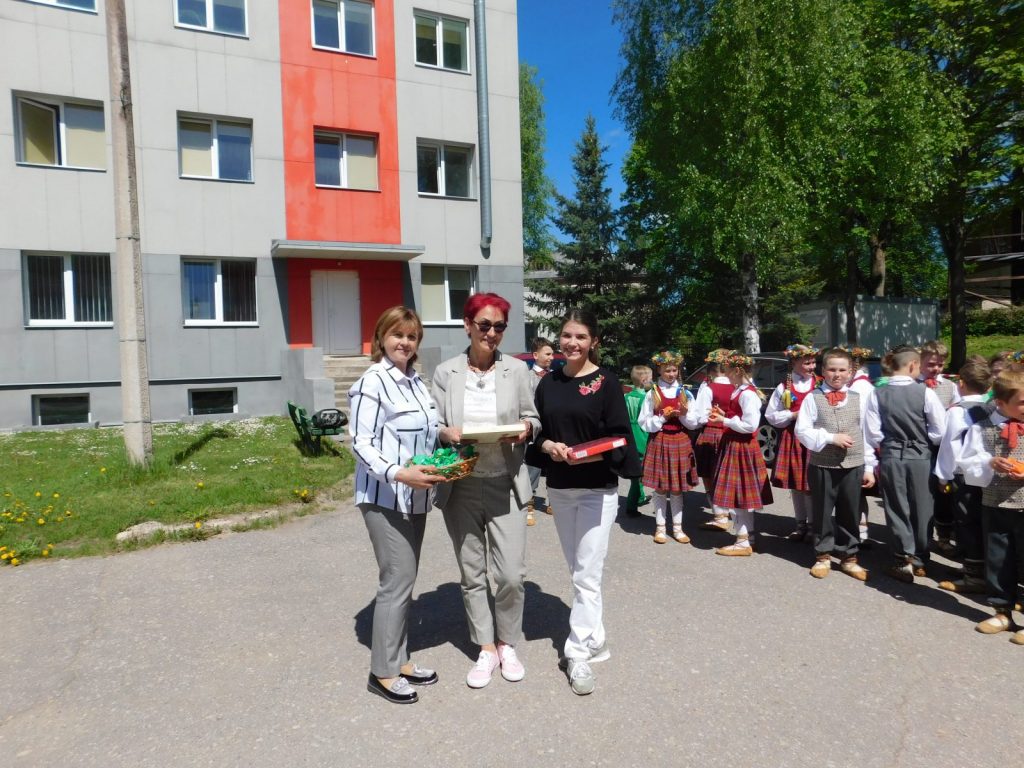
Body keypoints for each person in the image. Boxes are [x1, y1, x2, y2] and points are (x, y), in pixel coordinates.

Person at [431, 293, 540, 690]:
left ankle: (508, 641)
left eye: (499, 327)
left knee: (510, 574)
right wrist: (447, 433)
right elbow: (434, 422)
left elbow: (532, 417)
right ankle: (486, 647)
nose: (491, 333)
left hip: (505, 483)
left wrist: (526, 429)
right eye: (484, 325)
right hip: (461, 484)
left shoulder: (517, 370)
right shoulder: (446, 372)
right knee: (472, 571)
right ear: (467, 325)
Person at [530, 309, 641, 695]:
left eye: (580, 337)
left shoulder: (606, 382)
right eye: (566, 335)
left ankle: (576, 652)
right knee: (578, 569)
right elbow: (537, 431)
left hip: (597, 489)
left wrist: (585, 456)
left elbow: (620, 436)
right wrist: (548, 445)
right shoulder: (548, 383)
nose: (572, 343)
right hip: (560, 488)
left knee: (586, 574)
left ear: (594, 341)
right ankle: (596, 639)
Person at [348, 306, 446, 705]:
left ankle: (400, 659)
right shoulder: (372, 382)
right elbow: (360, 443)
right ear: (381, 338)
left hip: (417, 495)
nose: (404, 342)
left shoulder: (416, 382)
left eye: (411, 336)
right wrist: (399, 473)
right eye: (397, 335)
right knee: (397, 579)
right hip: (385, 496)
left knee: (405, 579)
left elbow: (426, 430)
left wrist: (447, 435)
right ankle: (383, 672)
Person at [864, 346, 946, 583]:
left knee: (897, 507)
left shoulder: (877, 393)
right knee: (923, 507)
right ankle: (920, 558)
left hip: (891, 455)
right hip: (920, 456)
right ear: (912, 365)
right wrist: (923, 440)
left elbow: (872, 433)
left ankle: (903, 559)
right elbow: (940, 431)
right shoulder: (925, 392)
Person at [795, 348, 876, 580]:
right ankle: (823, 555)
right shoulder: (813, 397)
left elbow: (868, 433)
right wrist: (830, 438)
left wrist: (869, 467)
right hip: (822, 465)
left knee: (850, 511)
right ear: (823, 371)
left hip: (854, 463)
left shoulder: (860, 398)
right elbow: (802, 431)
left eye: (842, 370)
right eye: (832, 369)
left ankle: (849, 557)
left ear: (850, 372)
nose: (837, 374)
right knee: (821, 511)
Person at [958, 368, 1024, 643]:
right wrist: (989, 462)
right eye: (1022, 402)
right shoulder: (982, 428)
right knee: (998, 558)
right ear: (1000, 402)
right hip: (995, 503)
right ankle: (1002, 611)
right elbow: (967, 461)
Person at [934, 358, 993, 594]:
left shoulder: (957, 412)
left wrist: (943, 477)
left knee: (967, 522)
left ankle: (974, 575)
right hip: (989, 473)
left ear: (961, 383)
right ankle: (980, 567)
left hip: (964, 474)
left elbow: (949, 446)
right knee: (984, 521)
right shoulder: (994, 408)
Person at [706, 352, 773, 556]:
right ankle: (747, 538)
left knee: (739, 495)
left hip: (741, 446)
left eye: (727, 371)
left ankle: (744, 542)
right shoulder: (740, 390)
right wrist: (724, 415)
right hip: (736, 444)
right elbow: (741, 418)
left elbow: (750, 425)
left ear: (737, 371)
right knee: (740, 495)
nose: (725, 375)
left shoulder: (747, 394)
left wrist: (724, 421)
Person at [638, 351, 699, 543]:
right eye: (667, 371)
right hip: (660, 439)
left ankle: (678, 528)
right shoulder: (652, 393)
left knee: (677, 488)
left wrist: (683, 415)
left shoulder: (685, 393)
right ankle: (660, 527)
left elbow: (694, 423)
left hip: (680, 440)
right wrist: (663, 418)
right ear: (659, 370)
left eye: (674, 370)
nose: (671, 374)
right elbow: (644, 422)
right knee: (661, 487)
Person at [766, 344, 820, 542]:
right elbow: (771, 415)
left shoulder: (820, 384)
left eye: (813, 362)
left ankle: (814, 526)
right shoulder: (784, 387)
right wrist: (792, 414)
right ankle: (801, 525)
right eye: (807, 363)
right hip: (794, 438)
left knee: (810, 486)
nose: (812, 366)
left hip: (815, 438)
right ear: (794, 362)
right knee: (797, 485)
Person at [919, 340, 960, 556]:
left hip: (943, 446)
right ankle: (921, 535)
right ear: (919, 362)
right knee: (923, 491)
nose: (936, 369)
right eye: (931, 364)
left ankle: (944, 535)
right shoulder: (913, 385)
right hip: (921, 445)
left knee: (944, 491)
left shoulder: (950, 386)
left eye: (940, 365)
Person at [693, 348, 734, 530]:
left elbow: (701, 417)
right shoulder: (738, 386)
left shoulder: (708, 388)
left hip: (711, 432)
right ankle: (729, 510)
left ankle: (719, 515)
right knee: (727, 474)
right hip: (731, 432)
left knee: (709, 474)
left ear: (711, 371)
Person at [844, 346, 876, 544]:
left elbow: (862, 423)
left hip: (858, 444)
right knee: (856, 491)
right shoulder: (861, 385)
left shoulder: (859, 388)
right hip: (859, 443)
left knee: (855, 490)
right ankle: (861, 530)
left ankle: (860, 532)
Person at [526, 337, 555, 526]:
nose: (552, 357)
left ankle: (553, 500)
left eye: (552, 354)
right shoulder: (528, 377)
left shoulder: (555, 376)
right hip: (535, 430)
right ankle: (529, 504)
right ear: (536, 355)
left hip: (553, 429)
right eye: (548, 354)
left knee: (554, 465)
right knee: (533, 468)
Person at [624, 365, 653, 517]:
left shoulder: (626, 397)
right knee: (639, 473)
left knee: (635, 470)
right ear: (643, 380)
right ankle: (631, 505)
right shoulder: (646, 398)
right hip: (642, 434)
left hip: (629, 434)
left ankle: (639, 497)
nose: (652, 382)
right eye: (651, 379)